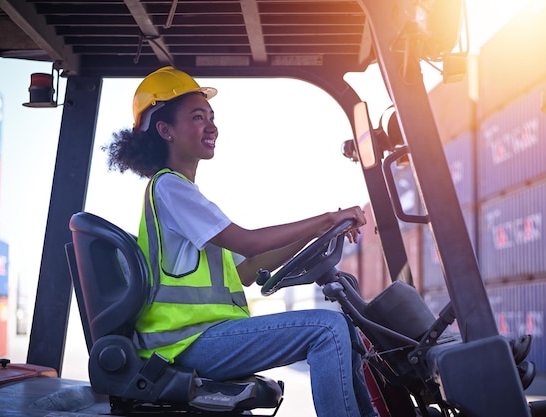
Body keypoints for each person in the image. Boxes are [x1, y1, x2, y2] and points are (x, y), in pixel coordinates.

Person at [104, 66, 377, 417]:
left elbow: (249, 268)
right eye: (198, 116)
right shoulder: (170, 188)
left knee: (343, 326)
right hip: (185, 345)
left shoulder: (185, 196)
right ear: (165, 130)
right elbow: (249, 243)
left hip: (203, 338)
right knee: (327, 328)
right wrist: (326, 219)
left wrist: (318, 232)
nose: (211, 126)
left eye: (212, 117)